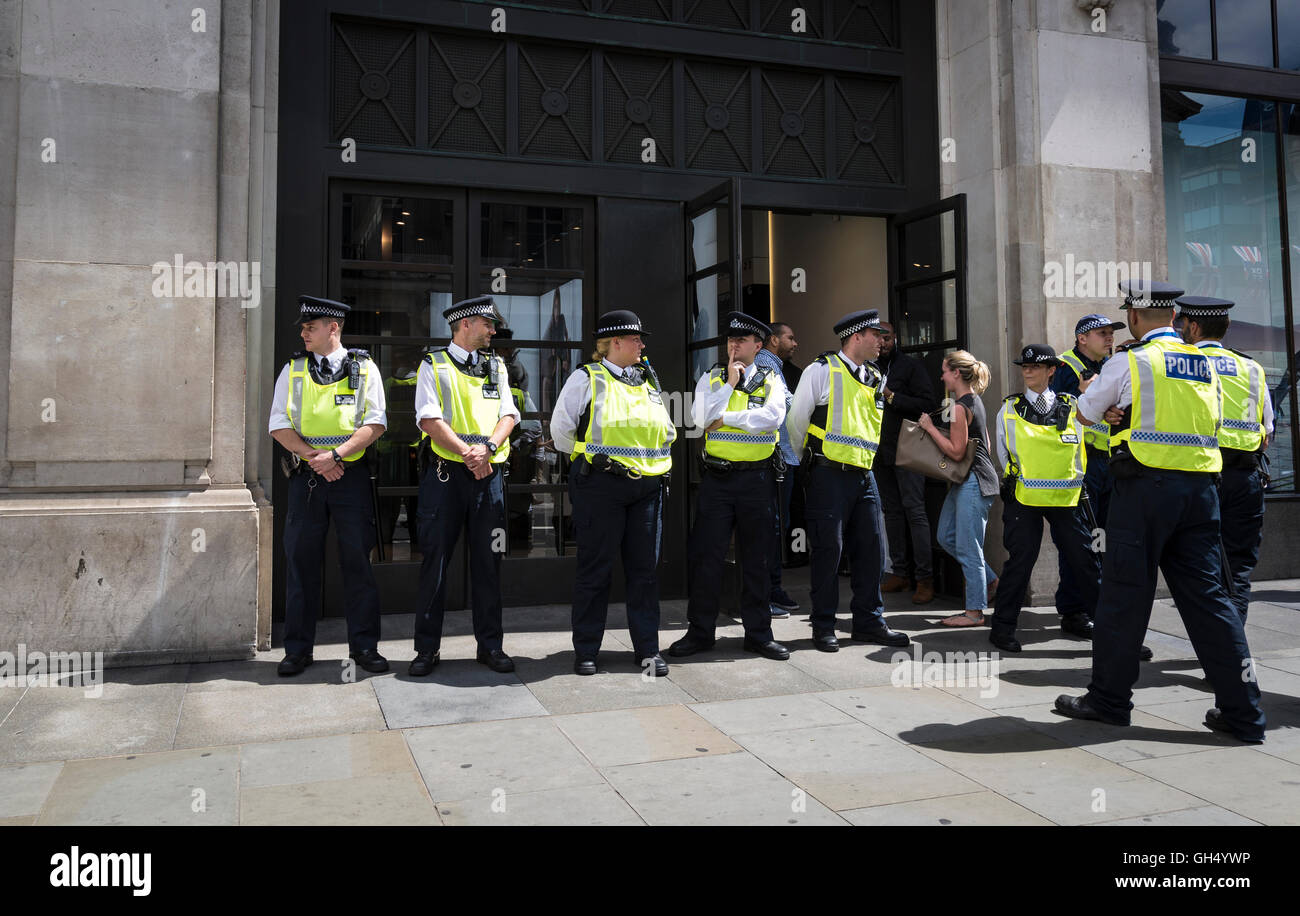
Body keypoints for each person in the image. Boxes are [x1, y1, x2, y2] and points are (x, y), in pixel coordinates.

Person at [1055, 280, 1266, 744]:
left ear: (1134, 318)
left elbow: (1087, 413)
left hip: (1144, 490)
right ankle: (1245, 714)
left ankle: (1109, 702)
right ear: (1174, 317)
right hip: (1202, 491)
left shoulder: (1130, 361)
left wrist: (1115, 410)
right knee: (1211, 600)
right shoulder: (1210, 363)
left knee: (1124, 597)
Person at [551, 310, 676, 676]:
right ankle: (586, 651)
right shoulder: (586, 378)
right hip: (601, 487)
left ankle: (648, 651)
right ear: (615, 343)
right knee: (595, 570)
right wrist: (592, 460)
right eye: (636, 339)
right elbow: (562, 431)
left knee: (645, 573)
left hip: (647, 490)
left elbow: (664, 430)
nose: (643, 344)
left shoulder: (647, 380)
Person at [269, 296, 388, 677]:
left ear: (333, 328)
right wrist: (314, 458)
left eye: (311, 326)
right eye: (303, 327)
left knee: (357, 563)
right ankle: (298, 650)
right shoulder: (293, 370)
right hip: (307, 478)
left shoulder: (365, 368)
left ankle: (365, 648)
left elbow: (376, 423)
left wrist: (335, 457)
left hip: (348, 478)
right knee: (301, 563)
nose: (304, 332)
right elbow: (278, 424)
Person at [786, 309, 910, 652]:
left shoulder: (875, 376)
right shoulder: (821, 371)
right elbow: (796, 421)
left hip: (864, 475)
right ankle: (823, 625)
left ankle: (869, 622)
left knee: (871, 550)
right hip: (828, 474)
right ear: (857, 337)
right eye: (876, 336)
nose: (882, 342)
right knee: (829, 551)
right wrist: (804, 464)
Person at [669, 312, 790, 661]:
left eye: (742, 341)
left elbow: (773, 420)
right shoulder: (713, 377)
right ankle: (700, 632)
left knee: (757, 559)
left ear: (758, 345)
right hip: (718, 480)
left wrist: (729, 417)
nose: (734, 345)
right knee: (707, 558)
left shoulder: (772, 379)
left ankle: (758, 634)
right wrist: (729, 388)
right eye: (730, 340)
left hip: (757, 479)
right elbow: (700, 419)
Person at [409, 296, 519, 677]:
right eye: (488, 324)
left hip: (488, 476)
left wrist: (486, 450)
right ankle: (427, 650)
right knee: (434, 563)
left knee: (489, 563)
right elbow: (428, 418)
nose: (493, 331)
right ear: (466, 324)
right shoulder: (433, 364)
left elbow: (509, 414)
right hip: (446, 476)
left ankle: (490, 646)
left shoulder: (497, 365)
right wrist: (467, 453)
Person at [990, 345, 1101, 652]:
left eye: (1035, 366)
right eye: (1024, 366)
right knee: (1020, 563)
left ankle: (1111, 632)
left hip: (1067, 498)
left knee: (1085, 561)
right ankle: (1002, 629)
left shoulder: (1073, 405)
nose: (1028, 370)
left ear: (1052, 371)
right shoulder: (1009, 409)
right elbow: (1003, 452)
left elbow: (1088, 440)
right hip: (1024, 498)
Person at [1174, 295, 1273, 620]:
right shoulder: (1253, 368)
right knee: (1239, 567)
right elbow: (1267, 433)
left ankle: (1216, 646)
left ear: (1192, 326)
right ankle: (1232, 648)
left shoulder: (1180, 363)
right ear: (1227, 325)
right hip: (1245, 480)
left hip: (1198, 478)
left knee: (1198, 565)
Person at [1048, 313, 1126, 638]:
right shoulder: (1065, 368)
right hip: (1082, 465)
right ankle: (1073, 611)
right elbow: (1054, 415)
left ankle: (1098, 604)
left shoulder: (1114, 366)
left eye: (1111, 333)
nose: (1110, 338)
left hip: (1112, 464)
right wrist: (1084, 400)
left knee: (1104, 540)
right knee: (1079, 541)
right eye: (1102, 333)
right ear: (1082, 338)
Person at [916, 351, 999, 626]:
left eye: (944, 371)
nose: (941, 376)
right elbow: (984, 442)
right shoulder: (974, 401)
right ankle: (990, 580)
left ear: (956, 373)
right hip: (971, 480)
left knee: (968, 546)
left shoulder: (959, 406)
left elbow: (955, 451)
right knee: (946, 536)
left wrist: (929, 427)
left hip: (973, 481)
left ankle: (974, 612)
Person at [874, 320, 937, 604]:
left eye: (886, 337)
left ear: (895, 338)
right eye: (878, 338)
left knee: (915, 511)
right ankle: (899, 573)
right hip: (879, 450)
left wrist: (893, 397)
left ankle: (925, 580)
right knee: (892, 512)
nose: (882, 343)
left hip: (909, 448)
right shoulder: (867, 369)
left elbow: (927, 403)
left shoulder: (910, 367)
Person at [756, 322, 800, 613]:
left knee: (776, 527)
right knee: (770, 528)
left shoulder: (774, 365)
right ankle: (767, 592)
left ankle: (773, 588)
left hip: (783, 456)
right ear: (773, 340)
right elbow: (788, 406)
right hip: (776, 458)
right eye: (790, 337)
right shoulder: (766, 365)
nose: (795, 343)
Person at [494, 327, 543, 548]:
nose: (510, 352)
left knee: (516, 509)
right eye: (505, 348)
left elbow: (534, 427)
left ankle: (519, 547)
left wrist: (512, 445)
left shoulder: (518, 390)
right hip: (493, 458)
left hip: (514, 461)